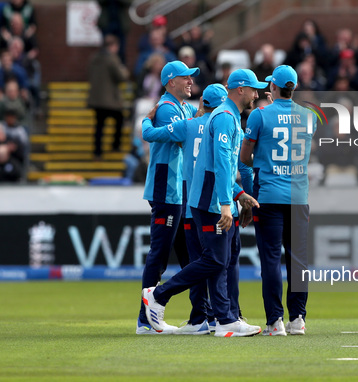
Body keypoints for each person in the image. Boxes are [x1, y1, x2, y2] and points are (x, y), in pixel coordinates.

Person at [141, 69, 266, 338]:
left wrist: (238, 196)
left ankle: (220, 319)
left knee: (216, 260)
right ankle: (159, 295)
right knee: (217, 260)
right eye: (254, 89)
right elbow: (221, 163)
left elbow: (216, 163)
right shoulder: (224, 118)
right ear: (240, 90)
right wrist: (226, 201)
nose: (257, 94)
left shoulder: (200, 121)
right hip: (209, 201)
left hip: (201, 198)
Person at [240, 65, 316, 336]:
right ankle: (298, 319)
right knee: (299, 260)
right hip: (298, 196)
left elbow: (244, 157)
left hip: (269, 196)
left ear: (273, 87)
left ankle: (275, 321)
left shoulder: (260, 115)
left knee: (271, 260)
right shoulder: (309, 116)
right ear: (293, 88)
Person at [136, 60, 199, 334]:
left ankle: (202, 315)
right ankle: (145, 320)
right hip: (167, 189)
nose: (190, 82)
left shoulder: (182, 107)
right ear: (170, 81)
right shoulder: (166, 108)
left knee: (189, 255)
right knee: (159, 256)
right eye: (185, 78)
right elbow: (186, 133)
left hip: (179, 188)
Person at [87, 34, 129, 160]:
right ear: (113, 46)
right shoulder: (112, 59)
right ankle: (115, 146)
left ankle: (97, 152)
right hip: (110, 100)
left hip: (96, 99)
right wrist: (124, 70)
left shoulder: (94, 58)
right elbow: (121, 77)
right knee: (120, 119)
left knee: (99, 126)